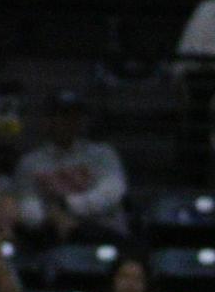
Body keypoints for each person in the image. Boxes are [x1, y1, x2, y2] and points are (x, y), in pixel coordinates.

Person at [15, 93, 129, 242]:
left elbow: (112, 192)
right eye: (62, 116)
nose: (68, 122)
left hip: (102, 231)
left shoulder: (102, 154)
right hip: (50, 233)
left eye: (74, 116)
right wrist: (50, 217)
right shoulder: (30, 162)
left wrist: (66, 206)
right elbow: (26, 202)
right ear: (47, 120)